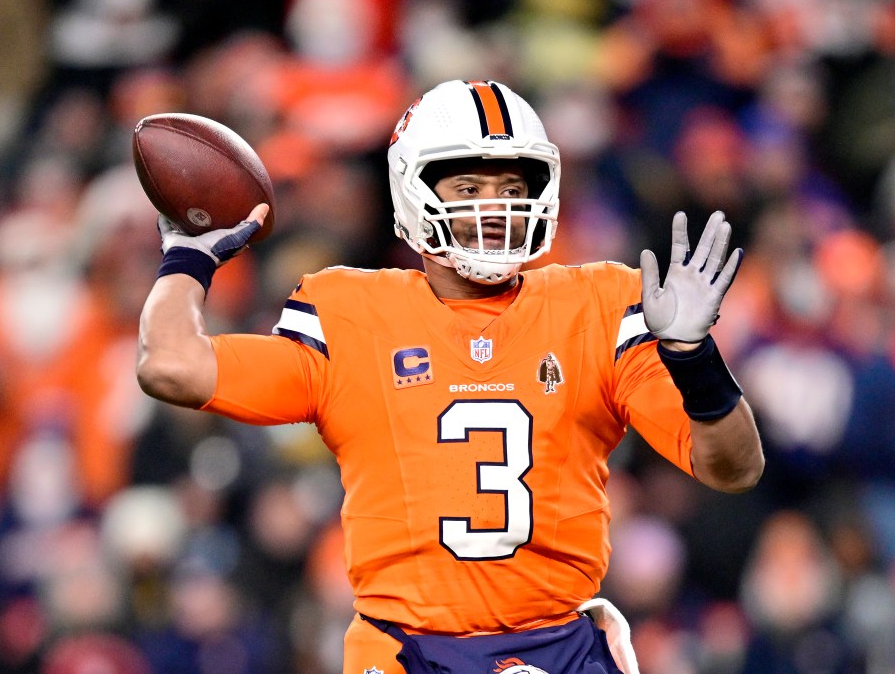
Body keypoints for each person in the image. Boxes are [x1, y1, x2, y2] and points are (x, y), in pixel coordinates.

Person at [136, 79, 764, 674]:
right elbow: (171, 368)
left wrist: (693, 355)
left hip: (560, 645)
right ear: (415, 190)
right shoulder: (351, 314)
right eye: (468, 186)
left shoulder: (599, 305)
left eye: (511, 184)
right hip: (406, 649)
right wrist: (189, 258)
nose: (494, 207)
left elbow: (732, 468)